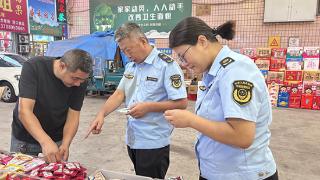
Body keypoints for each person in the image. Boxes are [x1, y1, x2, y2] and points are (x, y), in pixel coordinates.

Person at [164, 17, 278, 180]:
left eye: (183, 56)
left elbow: (242, 136)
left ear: (202, 41)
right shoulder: (212, 72)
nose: (183, 63)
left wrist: (191, 120)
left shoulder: (236, 70)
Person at [86, 22, 188, 179]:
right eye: (123, 50)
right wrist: (101, 114)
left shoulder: (167, 66)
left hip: (153, 142)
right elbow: (119, 94)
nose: (127, 54)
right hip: (133, 139)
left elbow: (181, 103)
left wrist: (148, 107)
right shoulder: (131, 67)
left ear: (143, 41)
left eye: (129, 49)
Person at [11, 49, 93, 163]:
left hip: (57, 142)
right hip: (26, 142)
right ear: (62, 66)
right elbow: (25, 111)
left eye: (82, 80)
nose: (78, 84)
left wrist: (65, 143)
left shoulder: (80, 81)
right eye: (75, 78)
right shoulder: (34, 67)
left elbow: (73, 115)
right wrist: (45, 141)